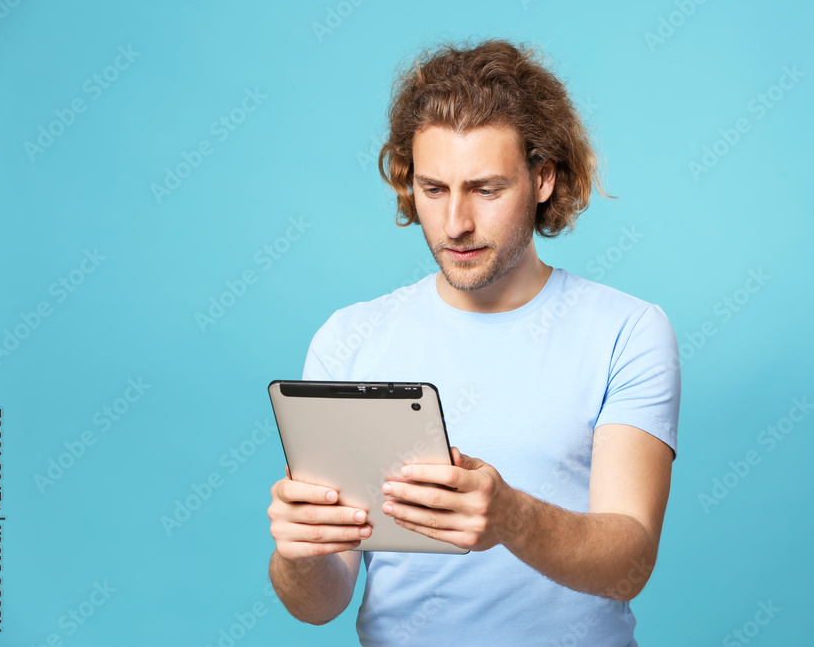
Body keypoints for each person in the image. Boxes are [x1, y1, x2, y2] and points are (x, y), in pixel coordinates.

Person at [267, 37, 681, 646]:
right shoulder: (349, 339)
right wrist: (298, 553)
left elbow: (631, 562)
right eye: (434, 190)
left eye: (486, 190)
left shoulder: (627, 330)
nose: (456, 223)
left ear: (543, 178)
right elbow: (320, 604)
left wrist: (511, 517)